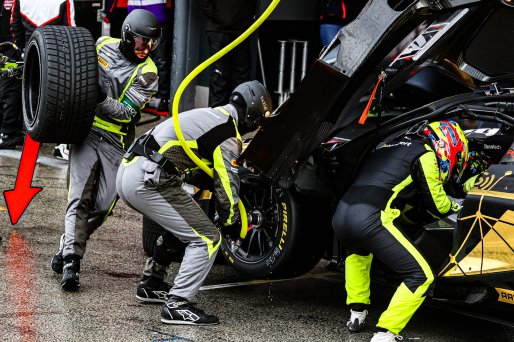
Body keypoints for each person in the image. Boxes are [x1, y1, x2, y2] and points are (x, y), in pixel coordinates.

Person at [116, 80, 272, 324]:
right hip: (149, 179)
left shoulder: (212, 116)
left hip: (130, 171)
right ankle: (178, 304)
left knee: (186, 223)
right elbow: (227, 182)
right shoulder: (229, 135)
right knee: (207, 238)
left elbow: (194, 168)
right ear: (252, 117)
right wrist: (232, 221)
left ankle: (152, 282)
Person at [332, 120, 485, 342]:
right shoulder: (424, 154)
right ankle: (386, 332)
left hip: (341, 215)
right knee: (421, 276)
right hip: (370, 218)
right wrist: (460, 206)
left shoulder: (387, 146)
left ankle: (356, 314)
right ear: (448, 145)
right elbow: (438, 204)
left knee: (359, 256)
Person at [50, 9, 161, 291]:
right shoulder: (101, 45)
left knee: (103, 206)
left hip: (117, 139)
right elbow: (70, 71)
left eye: (151, 44)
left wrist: (98, 97)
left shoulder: (148, 72)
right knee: (79, 197)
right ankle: (72, 263)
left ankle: (66, 244)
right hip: (86, 131)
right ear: (125, 36)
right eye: (139, 43)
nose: (145, 49)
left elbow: (125, 113)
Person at [10, 0, 75, 158]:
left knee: (31, 99)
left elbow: (15, 27)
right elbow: (71, 30)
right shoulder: (65, 1)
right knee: (60, 98)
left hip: (30, 55)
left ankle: (30, 148)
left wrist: (22, 50)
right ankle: (60, 144)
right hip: (57, 58)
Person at [195, 0, 257, 108]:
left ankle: (238, 114)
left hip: (242, 31)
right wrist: (219, 17)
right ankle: (217, 117)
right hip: (219, 31)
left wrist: (247, 19)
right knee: (219, 76)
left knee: (241, 76)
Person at [127, 0, 173, 113]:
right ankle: (140, 99)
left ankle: (162, 100)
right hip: (134, 11)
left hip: (156, 10)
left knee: (160, 59)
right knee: (136, 58)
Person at [0, 0, 23, 149]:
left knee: (9, 91)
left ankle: (9, 133)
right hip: (6, 46)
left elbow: (16, 23)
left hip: (11, 48)